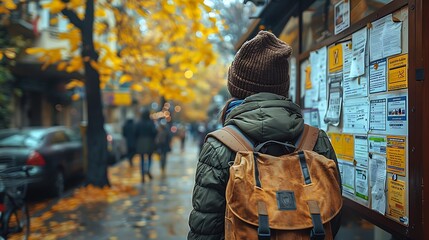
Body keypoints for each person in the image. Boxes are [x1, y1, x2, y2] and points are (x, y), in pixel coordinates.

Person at [188, 31, 342, 239]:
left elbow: (204, 229)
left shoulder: (220, 145)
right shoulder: (316, 139)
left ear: (236, 87)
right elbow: (333, 216)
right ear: (282, 88)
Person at [135, 109, 157, 183]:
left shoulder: (139, 123)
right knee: (150, 157)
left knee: (142, 158)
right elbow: (154, 132)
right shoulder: (151, 123)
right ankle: (147, 169)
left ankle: (142, 174)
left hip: (140, 142)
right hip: (149, 141)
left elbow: (135, 132)